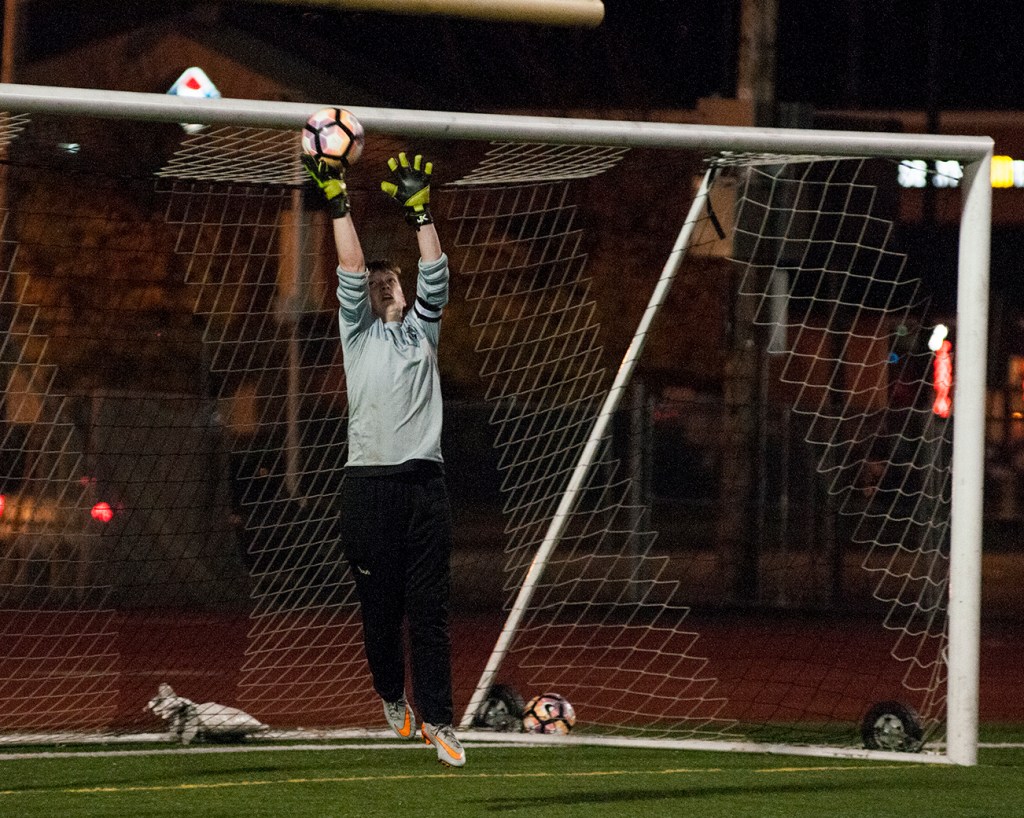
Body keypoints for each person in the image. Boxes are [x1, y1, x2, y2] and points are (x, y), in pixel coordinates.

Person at [302, 149, 464, 768]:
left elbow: (434, 272)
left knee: (430, 609)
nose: (382, 281)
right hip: (369, 490)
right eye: (374, 282)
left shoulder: (423, 331)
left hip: (425, 484)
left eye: (388, 278)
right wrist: (336, 199)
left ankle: (442, 720)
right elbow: (349, 266)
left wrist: (420, 212)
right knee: (381, 612)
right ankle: (391, 695)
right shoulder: (358, 334)